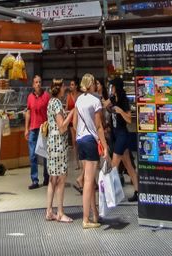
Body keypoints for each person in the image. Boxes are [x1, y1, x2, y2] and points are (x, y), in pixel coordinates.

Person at [75, 75, 104, 229]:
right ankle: (86, 219)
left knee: (89, 179)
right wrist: (105, 146)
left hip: (80, 140)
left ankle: (95, 214)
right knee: (88, 181)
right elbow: (99, 127)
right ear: (92, 84)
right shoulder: (95, 101)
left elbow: (74, 123)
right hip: (90, 141)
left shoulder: (79, 100)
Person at [44, 78, 74, 223]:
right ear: (60, 88)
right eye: (63, 86)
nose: (65, 88)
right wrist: (71, 114)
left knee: (52, 179)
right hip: (58, 145)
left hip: (51, 143)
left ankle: (49, 211)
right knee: (61, 178)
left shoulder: (51, 102)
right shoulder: (56, 103)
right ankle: (60, 212)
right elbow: (62, 126)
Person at [105, 75, 138, 200]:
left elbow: (129, 119)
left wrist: (120, 111)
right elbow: (103, 104)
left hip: (122, 135)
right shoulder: (112, 98)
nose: (111, 88)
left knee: (113, 165)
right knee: (129, 166)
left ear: (117, 87)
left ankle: (110, 194)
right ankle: (137, 191)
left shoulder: (124, 100)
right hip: (115, 134)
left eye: (112, 86)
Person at [25, 73, 50, 190]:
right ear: (33, 84)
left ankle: (47, 177)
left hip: (44, 129)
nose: (38, 84)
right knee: (32, 155)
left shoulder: (46, 96)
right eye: (36, 82)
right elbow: (28, 113)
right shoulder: (30, 97)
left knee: (45, 154)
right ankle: (34, 180)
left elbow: (50, 112)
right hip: (33, 129)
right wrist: (26, 129)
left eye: (39, 82)